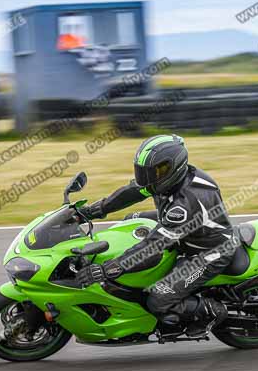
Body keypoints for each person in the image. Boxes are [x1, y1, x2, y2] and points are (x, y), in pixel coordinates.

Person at [76, 134, 233, 337]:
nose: (146, 178)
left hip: (207, 252)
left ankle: (213, 312)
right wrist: (93, 211)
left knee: (158, 298)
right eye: (144, 172)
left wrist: (107, 269)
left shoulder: (184, 205)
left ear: (172, 167)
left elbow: (152, 247)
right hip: (185, 232)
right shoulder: (167, 180)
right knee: (130, 219)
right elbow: (131, 192)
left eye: (154, 172)